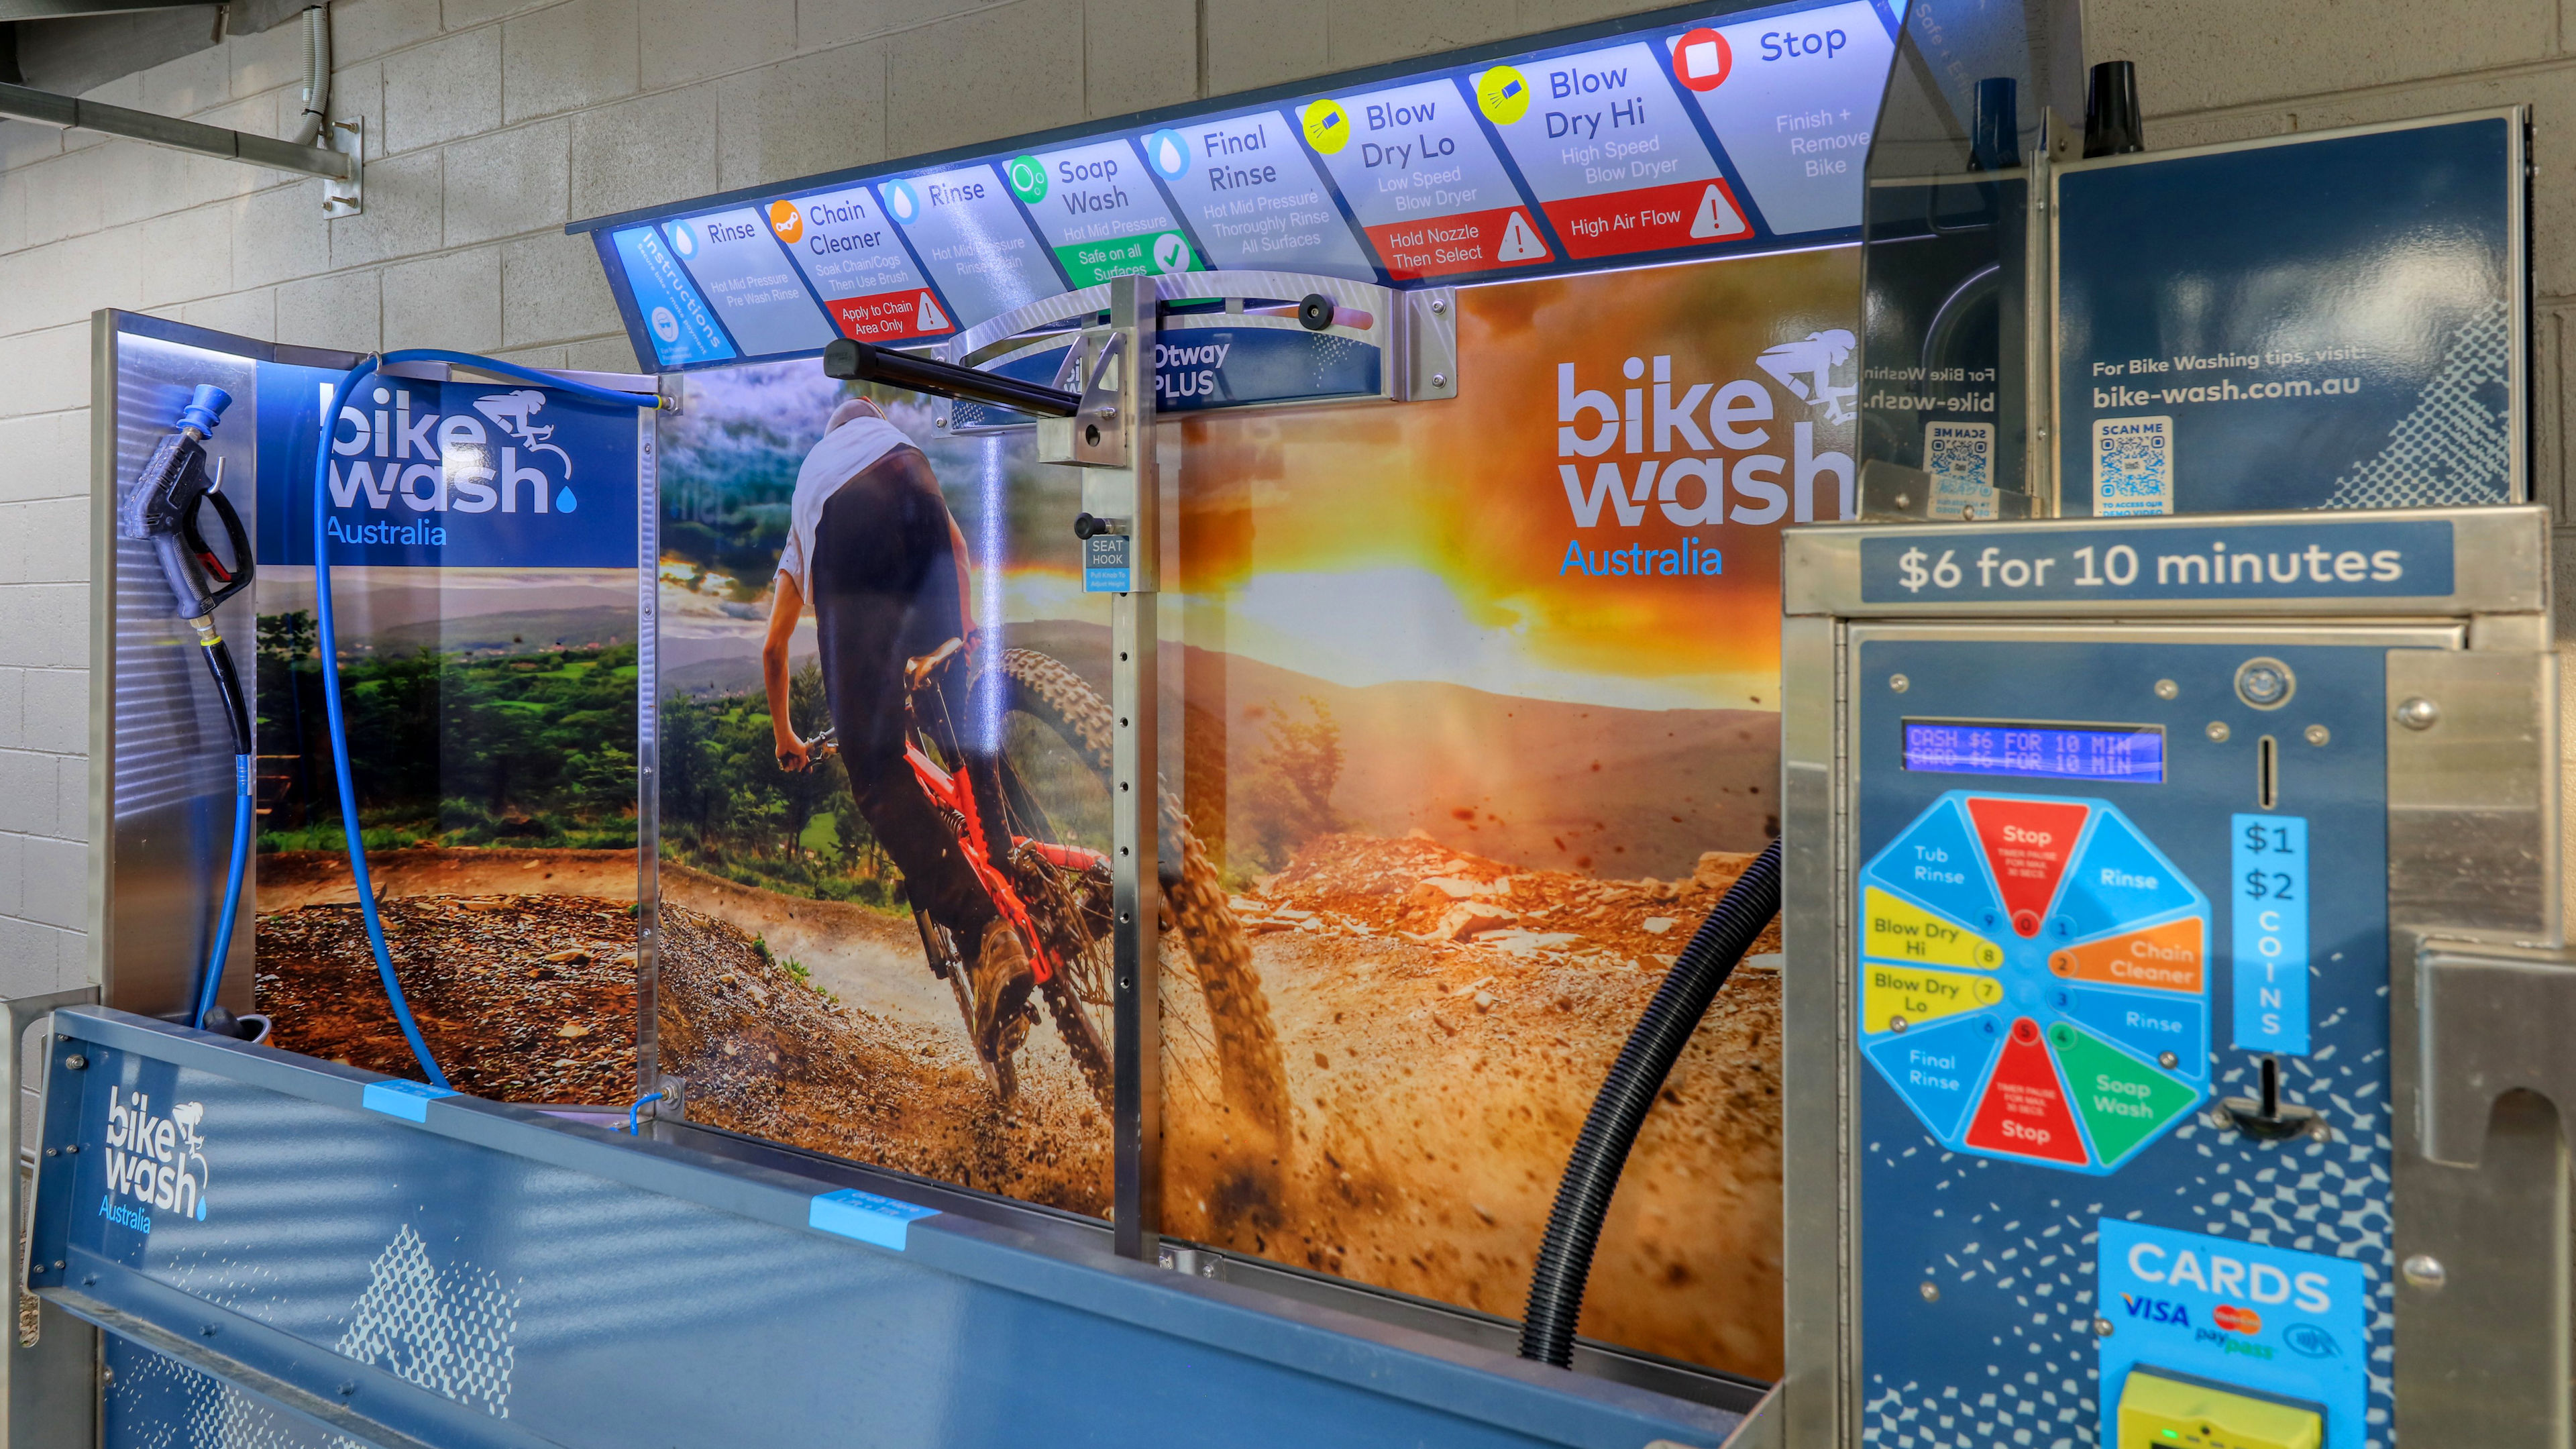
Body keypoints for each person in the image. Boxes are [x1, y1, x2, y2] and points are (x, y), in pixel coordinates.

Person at [763, 396, 1032, 1056]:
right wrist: (962, 633)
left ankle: (988, 937)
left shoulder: (816, 481)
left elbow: (774, 650)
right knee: (957, 711)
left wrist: (786, 737)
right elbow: (958, 546)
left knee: (877, 770)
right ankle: (1021, 863)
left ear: (830, 433)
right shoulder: (896, 445)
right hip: (920, 498)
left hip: (849, 529)